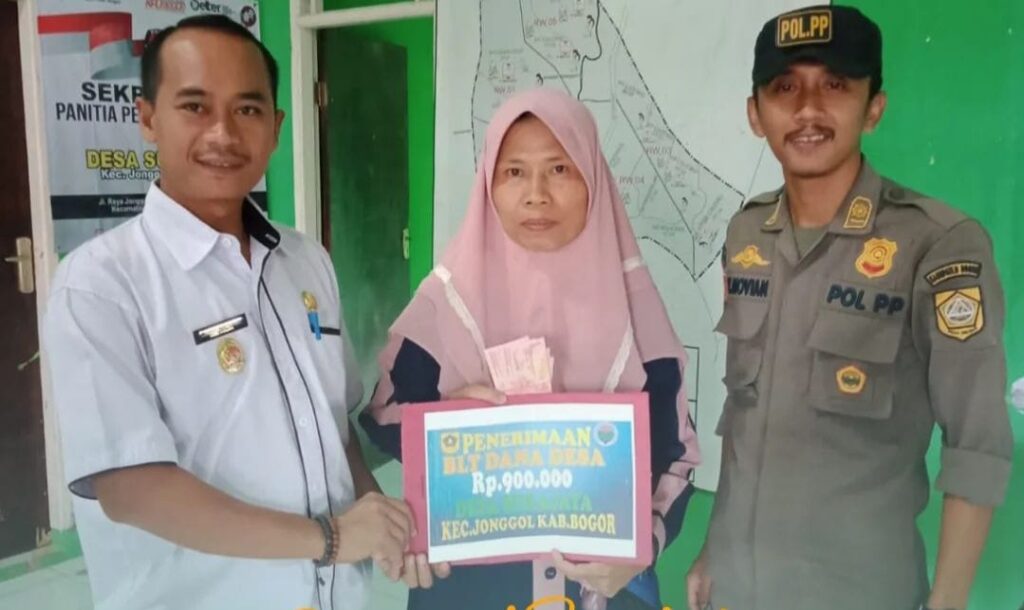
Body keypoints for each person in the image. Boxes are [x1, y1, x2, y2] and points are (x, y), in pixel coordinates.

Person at [42, 15, 412, 610]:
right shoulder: (100, 285)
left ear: (276, 128)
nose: (223, 133)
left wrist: (377, 516)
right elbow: (132, 488)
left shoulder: (305, 261)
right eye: (195, 107)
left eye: (247, 109)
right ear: (147, 119)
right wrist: (331, 538)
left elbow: (333, 426)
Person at [686, 6, 1013, 610]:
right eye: (785, 88)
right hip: (741, 588)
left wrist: (947, 603)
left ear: (874, 108)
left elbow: (977, 443)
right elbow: (743, 410)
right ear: (755, 114)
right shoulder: (747, 234)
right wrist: (713, 547)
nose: (808, 109)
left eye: (835, 85)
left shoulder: (938, 244)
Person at [359, 88, 701, 610]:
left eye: (560, 169)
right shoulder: (444, 302)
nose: (536, 195)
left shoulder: (637, 310)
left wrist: (642, 548)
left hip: (599, 586)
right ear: (488, 184)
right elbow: (383, 416)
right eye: (514, 172)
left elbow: (675, 456)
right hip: (469, 585)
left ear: (593, 179)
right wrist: (449, 418)